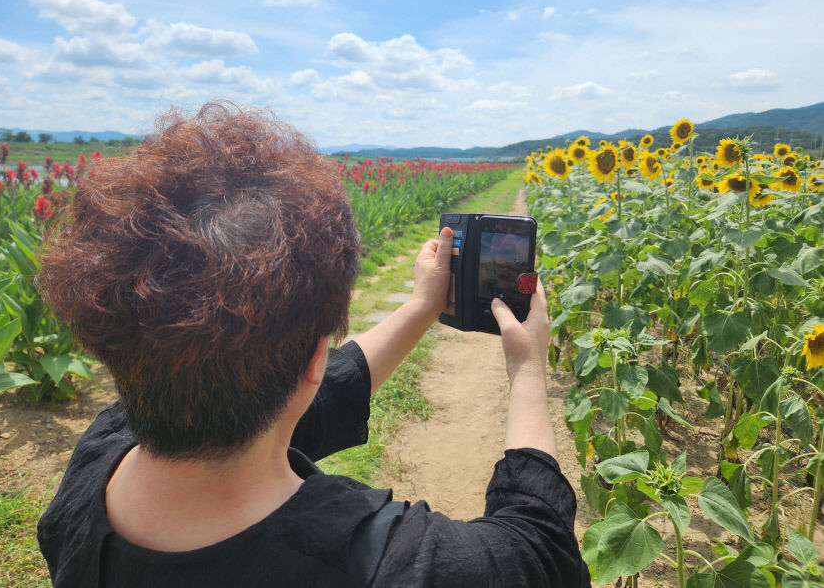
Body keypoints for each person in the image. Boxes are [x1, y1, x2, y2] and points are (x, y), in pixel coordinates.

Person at [36, 102, 590, 587]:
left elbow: (294, 394)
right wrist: (528, 370)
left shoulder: (95, 465)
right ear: (313, 363)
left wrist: (422, 306)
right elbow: (539, 551)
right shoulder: (382, 564)